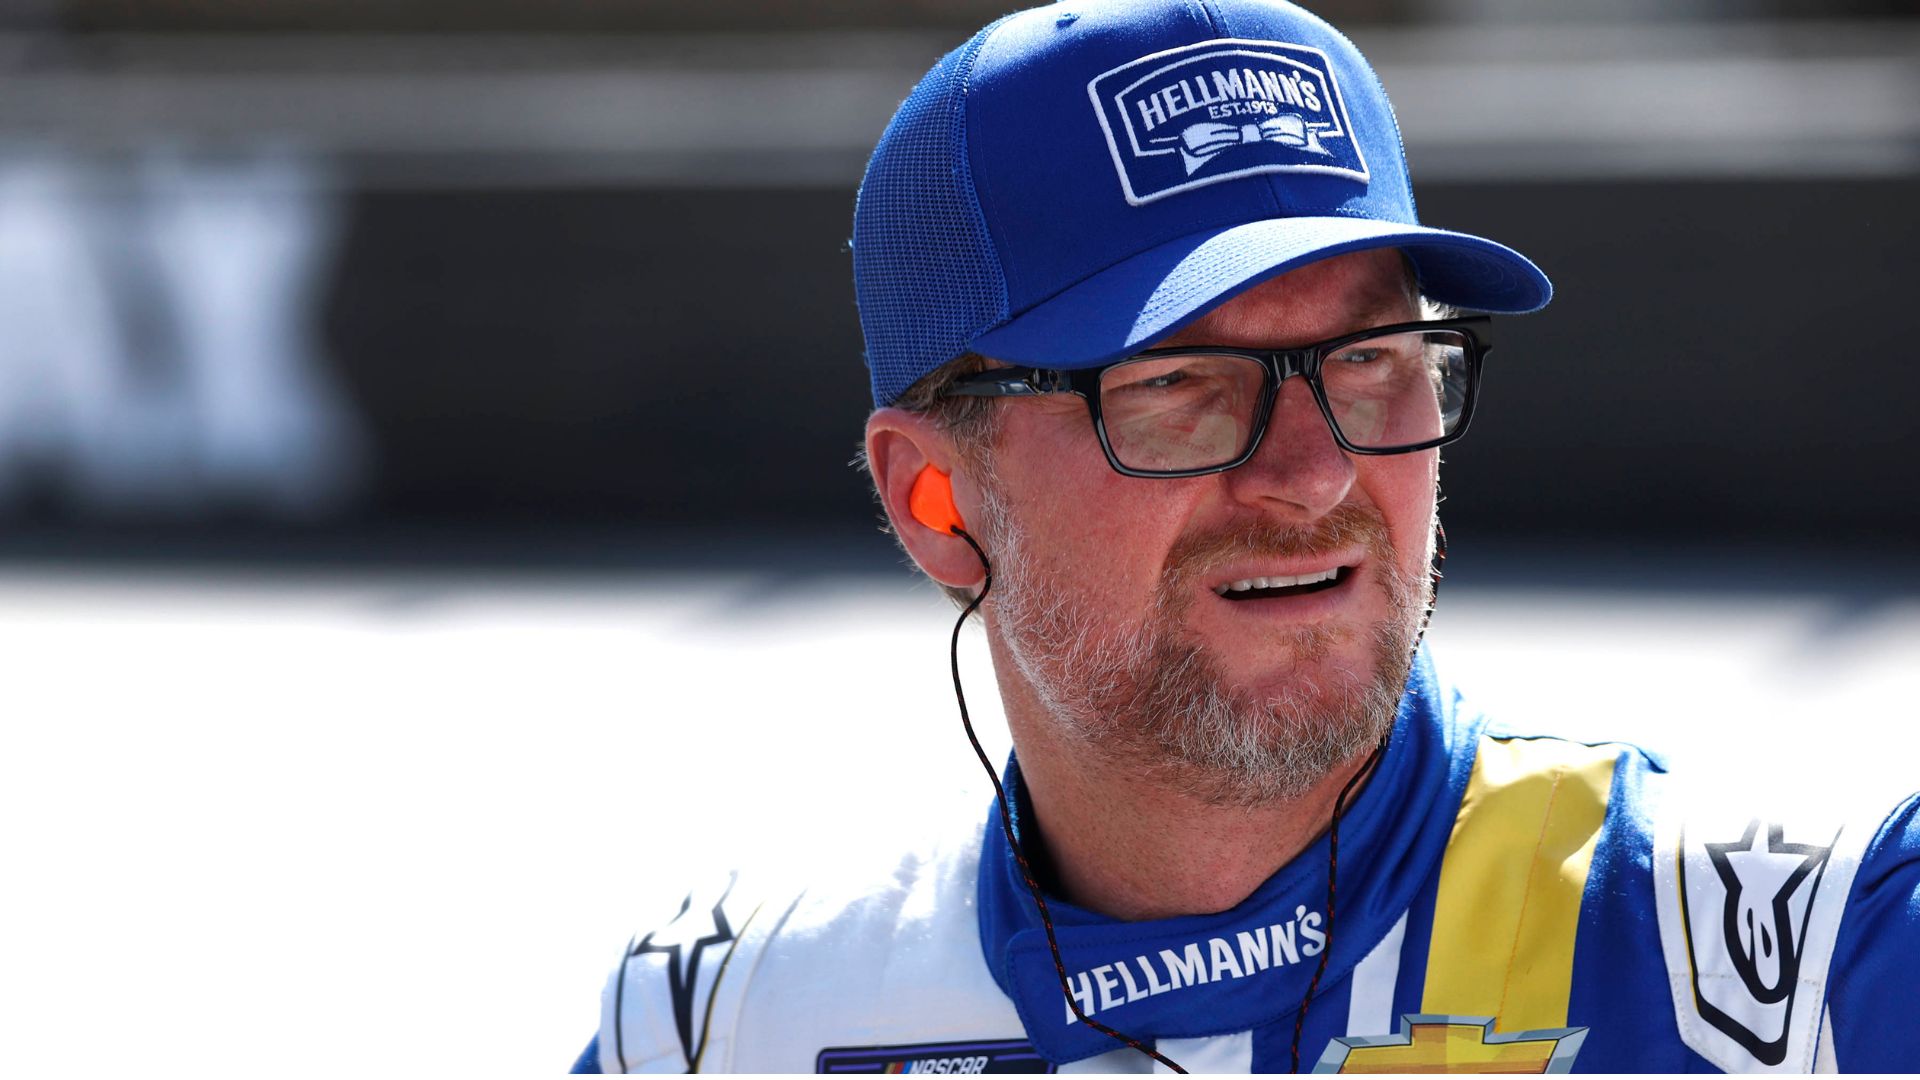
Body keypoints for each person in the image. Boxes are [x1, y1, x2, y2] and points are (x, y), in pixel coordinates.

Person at [577, 0, 1919, 1072]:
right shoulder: (731, 1028)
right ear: (938, 503)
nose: (1318, 468)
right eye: (1177, 386)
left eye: (1375, 358)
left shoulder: (1812, 968)